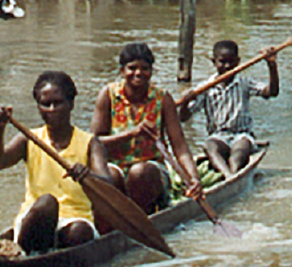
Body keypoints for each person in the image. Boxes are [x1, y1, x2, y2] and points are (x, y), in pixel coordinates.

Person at [0, 71, 113, 254]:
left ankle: (51, 251)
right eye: (45, 104)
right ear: (38, 107)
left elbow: (107, 183)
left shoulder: (90, 143)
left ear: (71, 104)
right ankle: (28, 251)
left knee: (80, 232)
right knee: (47, 203)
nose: (52, 109)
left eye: (58, 103)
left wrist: (88, 174)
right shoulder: (28, 138)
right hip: (37, 220)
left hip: (74, 221)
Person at [90, 41, 205, 214]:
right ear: (122, 71)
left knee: (140, 172)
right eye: (132, 68)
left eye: (144, 68)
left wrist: (194, 179)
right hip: (116, 166)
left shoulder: (163, 99)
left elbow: (180, 147)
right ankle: (114, 221)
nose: (138, 73)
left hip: (151, 170)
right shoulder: (108, 95)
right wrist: (132, 134)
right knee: (109, 177)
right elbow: (95, 143)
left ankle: (142, 218)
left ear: (151, 72)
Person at [182, 39, 280, 177]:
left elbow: (272, 92)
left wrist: (271, 65)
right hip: (218, 137)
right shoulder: (205, 88)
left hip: (242, 135)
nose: (227, 66)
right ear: (214, 62)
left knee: (238, 152)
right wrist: (186, 102)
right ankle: (228, 175)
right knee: (210, 147)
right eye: (222, 62)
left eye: (231, 62)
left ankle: (232, 175)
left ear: (238, 61)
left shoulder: (244, 83)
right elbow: (184, 117)